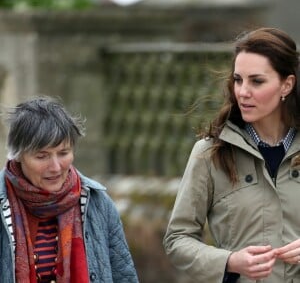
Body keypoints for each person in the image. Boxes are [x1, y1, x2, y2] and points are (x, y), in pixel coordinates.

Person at [163, 27, 300, 282]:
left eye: (256, 81)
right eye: (238, 79)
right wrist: (229, 262)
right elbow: (177, 239)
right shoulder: (210, 154)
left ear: (287, 84)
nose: (243, 92)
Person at [0, 96, 139, 283]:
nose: (56, 167)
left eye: (63, 153)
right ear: (18, 155)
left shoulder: (97, 202)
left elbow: (124, 276)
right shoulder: (4, 202)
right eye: (42, 156)